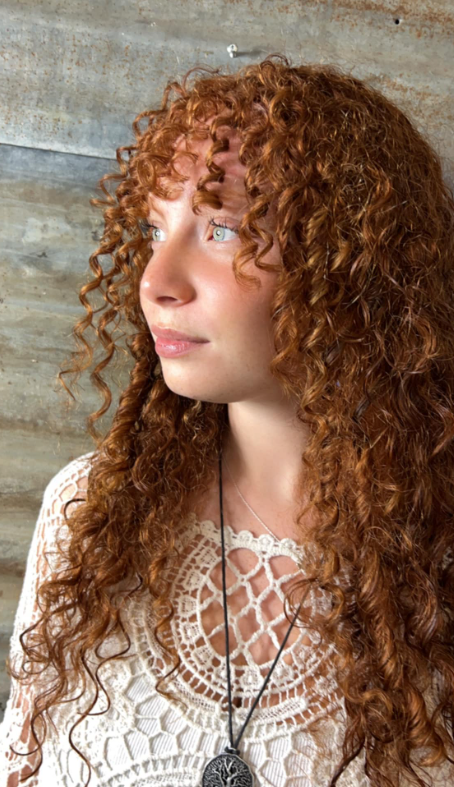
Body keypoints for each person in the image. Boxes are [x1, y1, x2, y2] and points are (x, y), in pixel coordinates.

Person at [1, 53, 454, 787]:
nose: (155, 282)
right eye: (155, 229)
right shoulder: (89, 516)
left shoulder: (434, 574)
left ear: (346, 262)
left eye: (220, 230)